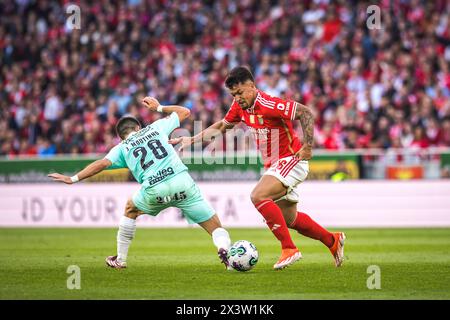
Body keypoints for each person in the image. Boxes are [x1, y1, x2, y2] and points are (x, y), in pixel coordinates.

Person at [170, 66, 346, 270]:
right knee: (290, 219)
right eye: (233, 94)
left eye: (240, 92)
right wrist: (192, 139)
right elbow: (220, 126)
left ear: (252, 86)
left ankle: (289, 248)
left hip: (292, 159)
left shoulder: (269, 103)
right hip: (275, 166)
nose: (237, 98)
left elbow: (305, 113)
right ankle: (332, 240)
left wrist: (308, 146)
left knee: (258, 196)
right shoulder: (240, 107)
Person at [48, 97, 232, 269]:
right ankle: (224, 250)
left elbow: (101, 164)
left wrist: (72, 179)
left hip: (154, 189)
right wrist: (158, 107)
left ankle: (120, 259)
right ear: (138, 127)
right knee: (215, 226)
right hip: (181, 181)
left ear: (121, 136)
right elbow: (185, 111)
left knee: (130, 209)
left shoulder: (121, 148)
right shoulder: (155, 128)